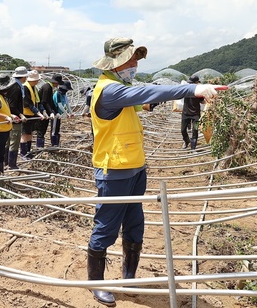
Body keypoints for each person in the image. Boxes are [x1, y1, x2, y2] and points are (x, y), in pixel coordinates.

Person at [86, 37, 226, 306]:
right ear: (115, 63)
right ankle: (96, 283)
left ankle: (129, 275)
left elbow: (143, 102)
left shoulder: (121, 88)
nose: (135, 64)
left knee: (135, 222)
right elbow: (146, 93)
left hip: (135, 166)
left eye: (136, 59)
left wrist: (154, 102)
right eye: (131, 59)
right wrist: (191, 89)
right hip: (114, 169)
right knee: (106, 226)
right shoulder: (109, 90)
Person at [4, 66, 28, 170]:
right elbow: (12, 105)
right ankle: (11, 164)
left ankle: (6, 162)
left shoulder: (15, 86)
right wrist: (20, 115)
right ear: (23, 77)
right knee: (14, 140)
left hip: (11, 117)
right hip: (15, 119)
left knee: (9, 140)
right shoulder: (16, 88)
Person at [20, 69, 46, 159]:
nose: (38, 81)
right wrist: (38, 113)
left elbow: (37, 101)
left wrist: (41, 111)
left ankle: (28, 151)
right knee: (25, 134)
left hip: (32, 114)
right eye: (37, 80)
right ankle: (23, 153)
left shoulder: (33, 88)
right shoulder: (25, 87)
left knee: (30, 133)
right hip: (26, 114)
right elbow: (27, 103)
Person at [35, 74, 62, 149]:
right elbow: (44, 102)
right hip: (42, 112)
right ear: (55, 82)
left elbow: (51, 102)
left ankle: (40, 146)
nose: (57, 86)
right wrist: (50, 112)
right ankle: (39, 147)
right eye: (58, 84)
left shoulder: (49, 87)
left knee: (43, 129)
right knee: (41, 130)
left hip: (46, 112)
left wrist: (56, 112)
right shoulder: (47, 88)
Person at [181, 75, 205, 150]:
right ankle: (187, 141)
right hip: (185, 113)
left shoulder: (199, 91)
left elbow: (202, 102)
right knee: (183, 130)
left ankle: (193, 147)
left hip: (196, 115)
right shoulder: (186, 90)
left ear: (197, 83)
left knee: (195, 130)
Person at [51, 81, 73, 147]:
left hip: (59, 114)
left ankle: (57, 143)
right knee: (54, 128)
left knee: (58, 128)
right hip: (55, 113)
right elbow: (59, 105)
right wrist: (66, 113)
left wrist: (71, 112)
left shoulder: (64, 95)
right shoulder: (57, 94)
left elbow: (67, 104)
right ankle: (53, 144)